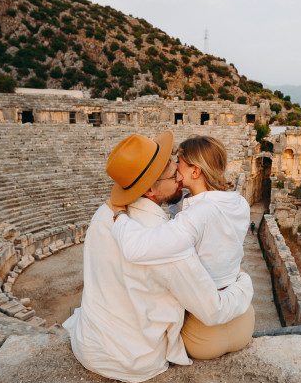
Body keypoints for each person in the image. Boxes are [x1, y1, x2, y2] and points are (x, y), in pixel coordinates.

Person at [63, 131, 253, 383]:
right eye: (173, 174)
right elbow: (211, 309)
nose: (179, 177)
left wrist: (119, 213)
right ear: (151, 188)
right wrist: (244, 282)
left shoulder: (102, 215)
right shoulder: (167, 242)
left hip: (89, 345)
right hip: (135, 360)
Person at [107, 135, 254, 360]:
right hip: (244, 321)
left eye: (179, 162)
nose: (175, 166)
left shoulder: (198, 214)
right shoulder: (239, 202)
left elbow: (135, 248)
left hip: (203, 333)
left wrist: (119, 214)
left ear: (195, 171)